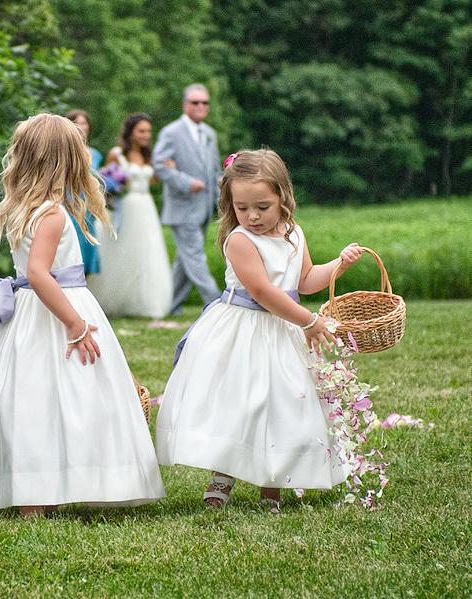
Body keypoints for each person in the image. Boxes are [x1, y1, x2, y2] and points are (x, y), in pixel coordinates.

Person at [0, 114, 166, 516]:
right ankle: (44, 495)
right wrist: (74, 322)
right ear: (70, 162)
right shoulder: (52, 213)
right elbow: (38, 273)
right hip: (58, 309)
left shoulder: (25, 207)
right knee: (69, 399)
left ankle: (36, 493)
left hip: (29, 317)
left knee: (35, 403)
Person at [153, 149, 362, 509]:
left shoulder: (294, 234)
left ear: (282, 196)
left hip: (284, 329)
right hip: (244, 331)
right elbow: (263, 291)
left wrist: (338, 266)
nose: (252, 216)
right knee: (241, 404)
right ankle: (223, 472)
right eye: (242, 207)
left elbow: (307, 280)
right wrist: (310, 321)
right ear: (229, 203)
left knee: (283, 404)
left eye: (262, 207)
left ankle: (273, 485)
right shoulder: (239, 240)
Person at [87, 112, 173, 318]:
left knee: (147, 251)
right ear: (130, 132)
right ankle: (117, 300)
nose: (146, 135)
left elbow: (148, 180)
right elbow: (103, 180)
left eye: (148, 132)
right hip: (126, 207)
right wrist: (116, 187)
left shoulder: (148, 155)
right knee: (123, 251)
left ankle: (146, 303)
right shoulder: (117, 154)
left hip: (146, 206)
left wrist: (164, 171)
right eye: (141, 131)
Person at [153, 84, 223, 315]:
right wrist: (186, 182)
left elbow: (214, 171)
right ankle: (216, 304)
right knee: (195, 258)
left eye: (205, 102)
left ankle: (170, 306)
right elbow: (160, 165)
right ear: (185, 105)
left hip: (204, 208)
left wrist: (224, 201)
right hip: (182, 207)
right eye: (195, 102)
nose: (201, 106)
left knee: (185, 262)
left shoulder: (210, 133)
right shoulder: (171, 132)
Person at [65, 109, 101, 275]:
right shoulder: (65, 153)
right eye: (76, 123)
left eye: (84, 123)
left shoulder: (95, 155)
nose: (81, 127)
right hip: (70, 200)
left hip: (89, 205)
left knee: (88, 244)